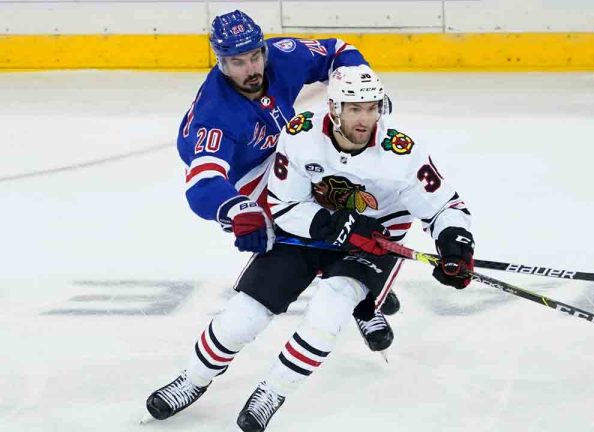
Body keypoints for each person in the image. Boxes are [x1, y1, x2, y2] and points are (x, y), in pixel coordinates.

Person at [149, 65, 474, 431]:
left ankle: (273, 390)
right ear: (333, 109)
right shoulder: (301, 134)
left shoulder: (401, 153)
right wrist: (333, 225)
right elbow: (284, 207)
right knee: (244, 314)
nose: (365, 118)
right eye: (354, 109)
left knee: (326, 313)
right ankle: (192, 379)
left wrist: (456, 246)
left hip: (372, 244)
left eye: (371, 107)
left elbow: (447, 208)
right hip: (308, 231)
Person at [144, 9, 401, 423]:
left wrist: (359, 95)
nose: (250, 69)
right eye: (237, 62)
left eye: (253, 56)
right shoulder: (215, 115)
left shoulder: (281, 56)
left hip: (291, 151)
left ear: (263, 49)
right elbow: (203, 183)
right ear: (220, 62)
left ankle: (361, 295)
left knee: (358, 185)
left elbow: (341, 51)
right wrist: (238, 209)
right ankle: (194, 378)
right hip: (251, 178)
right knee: (298, 238)